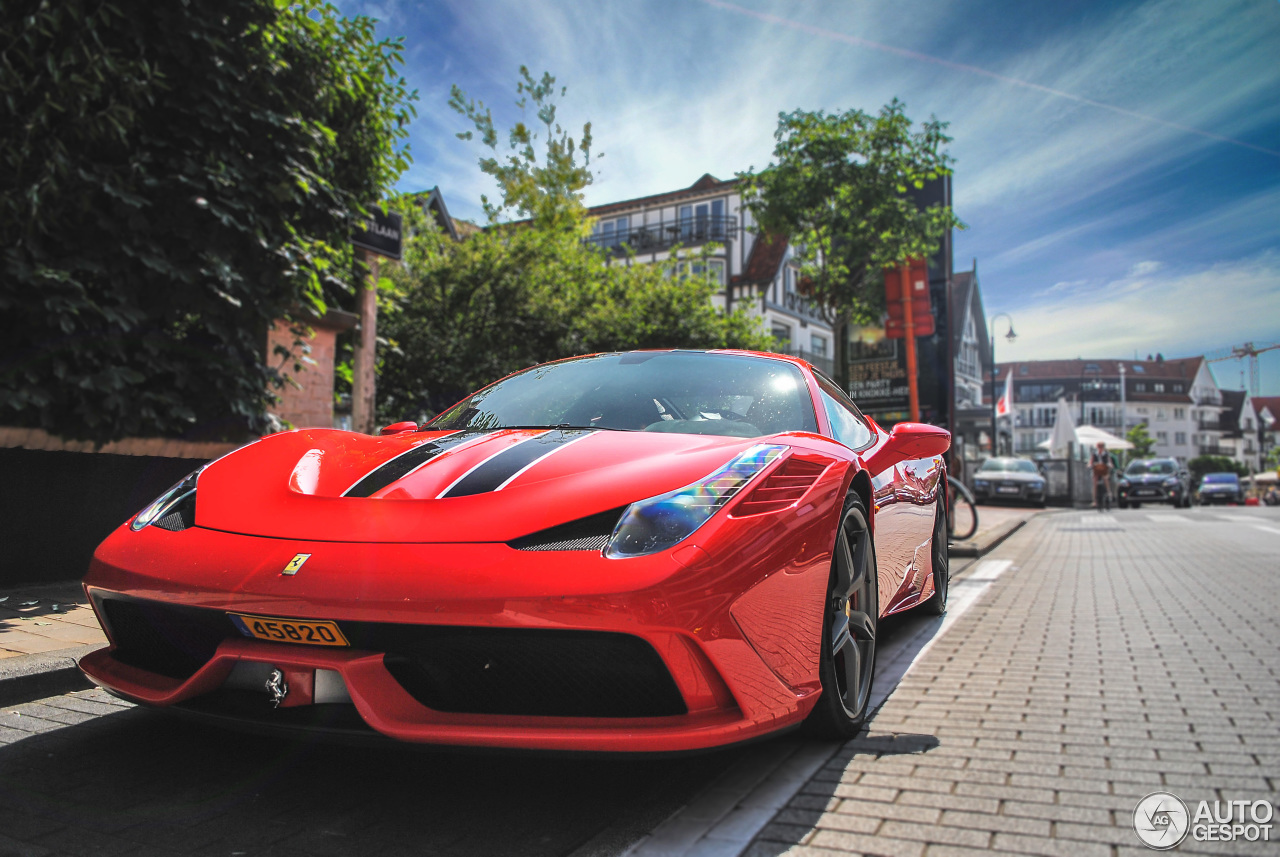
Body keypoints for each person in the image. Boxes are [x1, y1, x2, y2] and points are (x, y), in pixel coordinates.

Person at [1089, 441, 1112, 511]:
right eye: (1099, 447)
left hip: (1104, 470)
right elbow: (1090, 462)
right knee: (1095, 482)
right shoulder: (1094, 454)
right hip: (1096, 471)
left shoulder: (1106, 454)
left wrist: (1110, 465)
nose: (1100, 448)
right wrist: (1090, 465)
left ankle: (1108, 493)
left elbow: (1109, 462)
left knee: (1105, 478)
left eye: (1101, 447)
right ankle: (1094, 500)